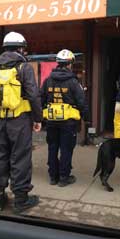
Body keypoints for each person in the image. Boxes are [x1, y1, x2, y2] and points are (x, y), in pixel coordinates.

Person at [0, 31, 42, 212]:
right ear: (20, 48)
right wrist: (38, 119)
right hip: (19, 122)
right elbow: (33, 95)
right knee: (20, 158)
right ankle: (21, 200)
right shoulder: (24, 68)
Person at [41, 49, 89, 187]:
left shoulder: (48, 80)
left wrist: (38, 118)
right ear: (69, 64)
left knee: (52, 147)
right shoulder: (73, 82)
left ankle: (53, 177)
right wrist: (87, 118)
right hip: (68, 122)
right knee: (66, 149)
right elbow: (81, 102)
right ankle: (63, 177)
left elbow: (41, 99)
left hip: (51, 121)